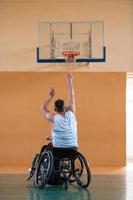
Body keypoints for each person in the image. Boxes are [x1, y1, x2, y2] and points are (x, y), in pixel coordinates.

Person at [41, 73, 78, 150]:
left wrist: (50, 97)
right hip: (73, 150)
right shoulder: (71, 113)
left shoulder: (53, 117)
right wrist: (70, 81)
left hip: (58, 150)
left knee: (46, 148)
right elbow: (72, 95)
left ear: (55, 110)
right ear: (65, 107)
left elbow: (43, 109)